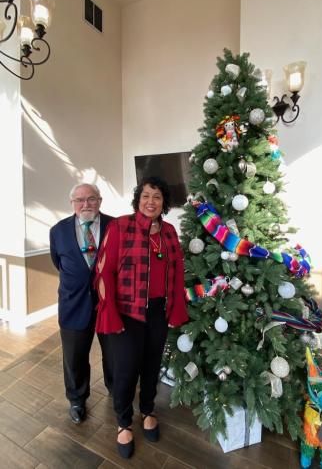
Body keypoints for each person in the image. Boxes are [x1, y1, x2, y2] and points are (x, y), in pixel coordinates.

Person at [95, 176, 188, 459]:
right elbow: (103, 271)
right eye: (146, 196)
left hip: (158, 311)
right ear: (138, 199)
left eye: (157, 197)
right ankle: (123, 422)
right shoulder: (120, 226)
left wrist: (176, 308)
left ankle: (147, 409)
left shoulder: (170, 232)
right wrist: (109, 310)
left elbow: (178, 272)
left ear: (164, 203)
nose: (151, 202)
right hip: (127, 313)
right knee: (124, 370)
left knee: (152, 365)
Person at [50, 183, 114, 424]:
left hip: (110, 305)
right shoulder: (58, 230)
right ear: (72, 203)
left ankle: (116, 391)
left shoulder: (115, 226)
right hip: (73, 305)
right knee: (74, 357)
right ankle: (77, 399)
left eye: (91, 198)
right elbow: (59, 262)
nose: (86, 204)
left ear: (100, 200)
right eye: (80, 200)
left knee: (114, 353)